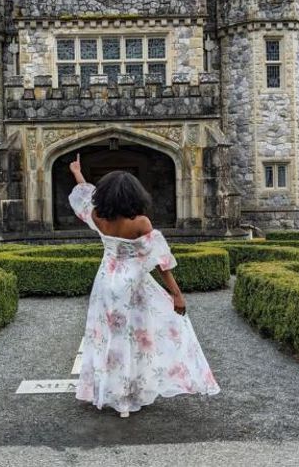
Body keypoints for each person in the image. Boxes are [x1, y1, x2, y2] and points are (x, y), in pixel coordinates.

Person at [68, 153, 218, 417]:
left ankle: (111, 391)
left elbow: (85, 196)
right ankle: (130, 393)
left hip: (105, 283)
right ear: (134, 196)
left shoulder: (97, 215)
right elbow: (161, 261)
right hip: (131, 286)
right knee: (136, 337)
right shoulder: (139, 223)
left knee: (108, 337)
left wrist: (77, 173)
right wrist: (177, 295)